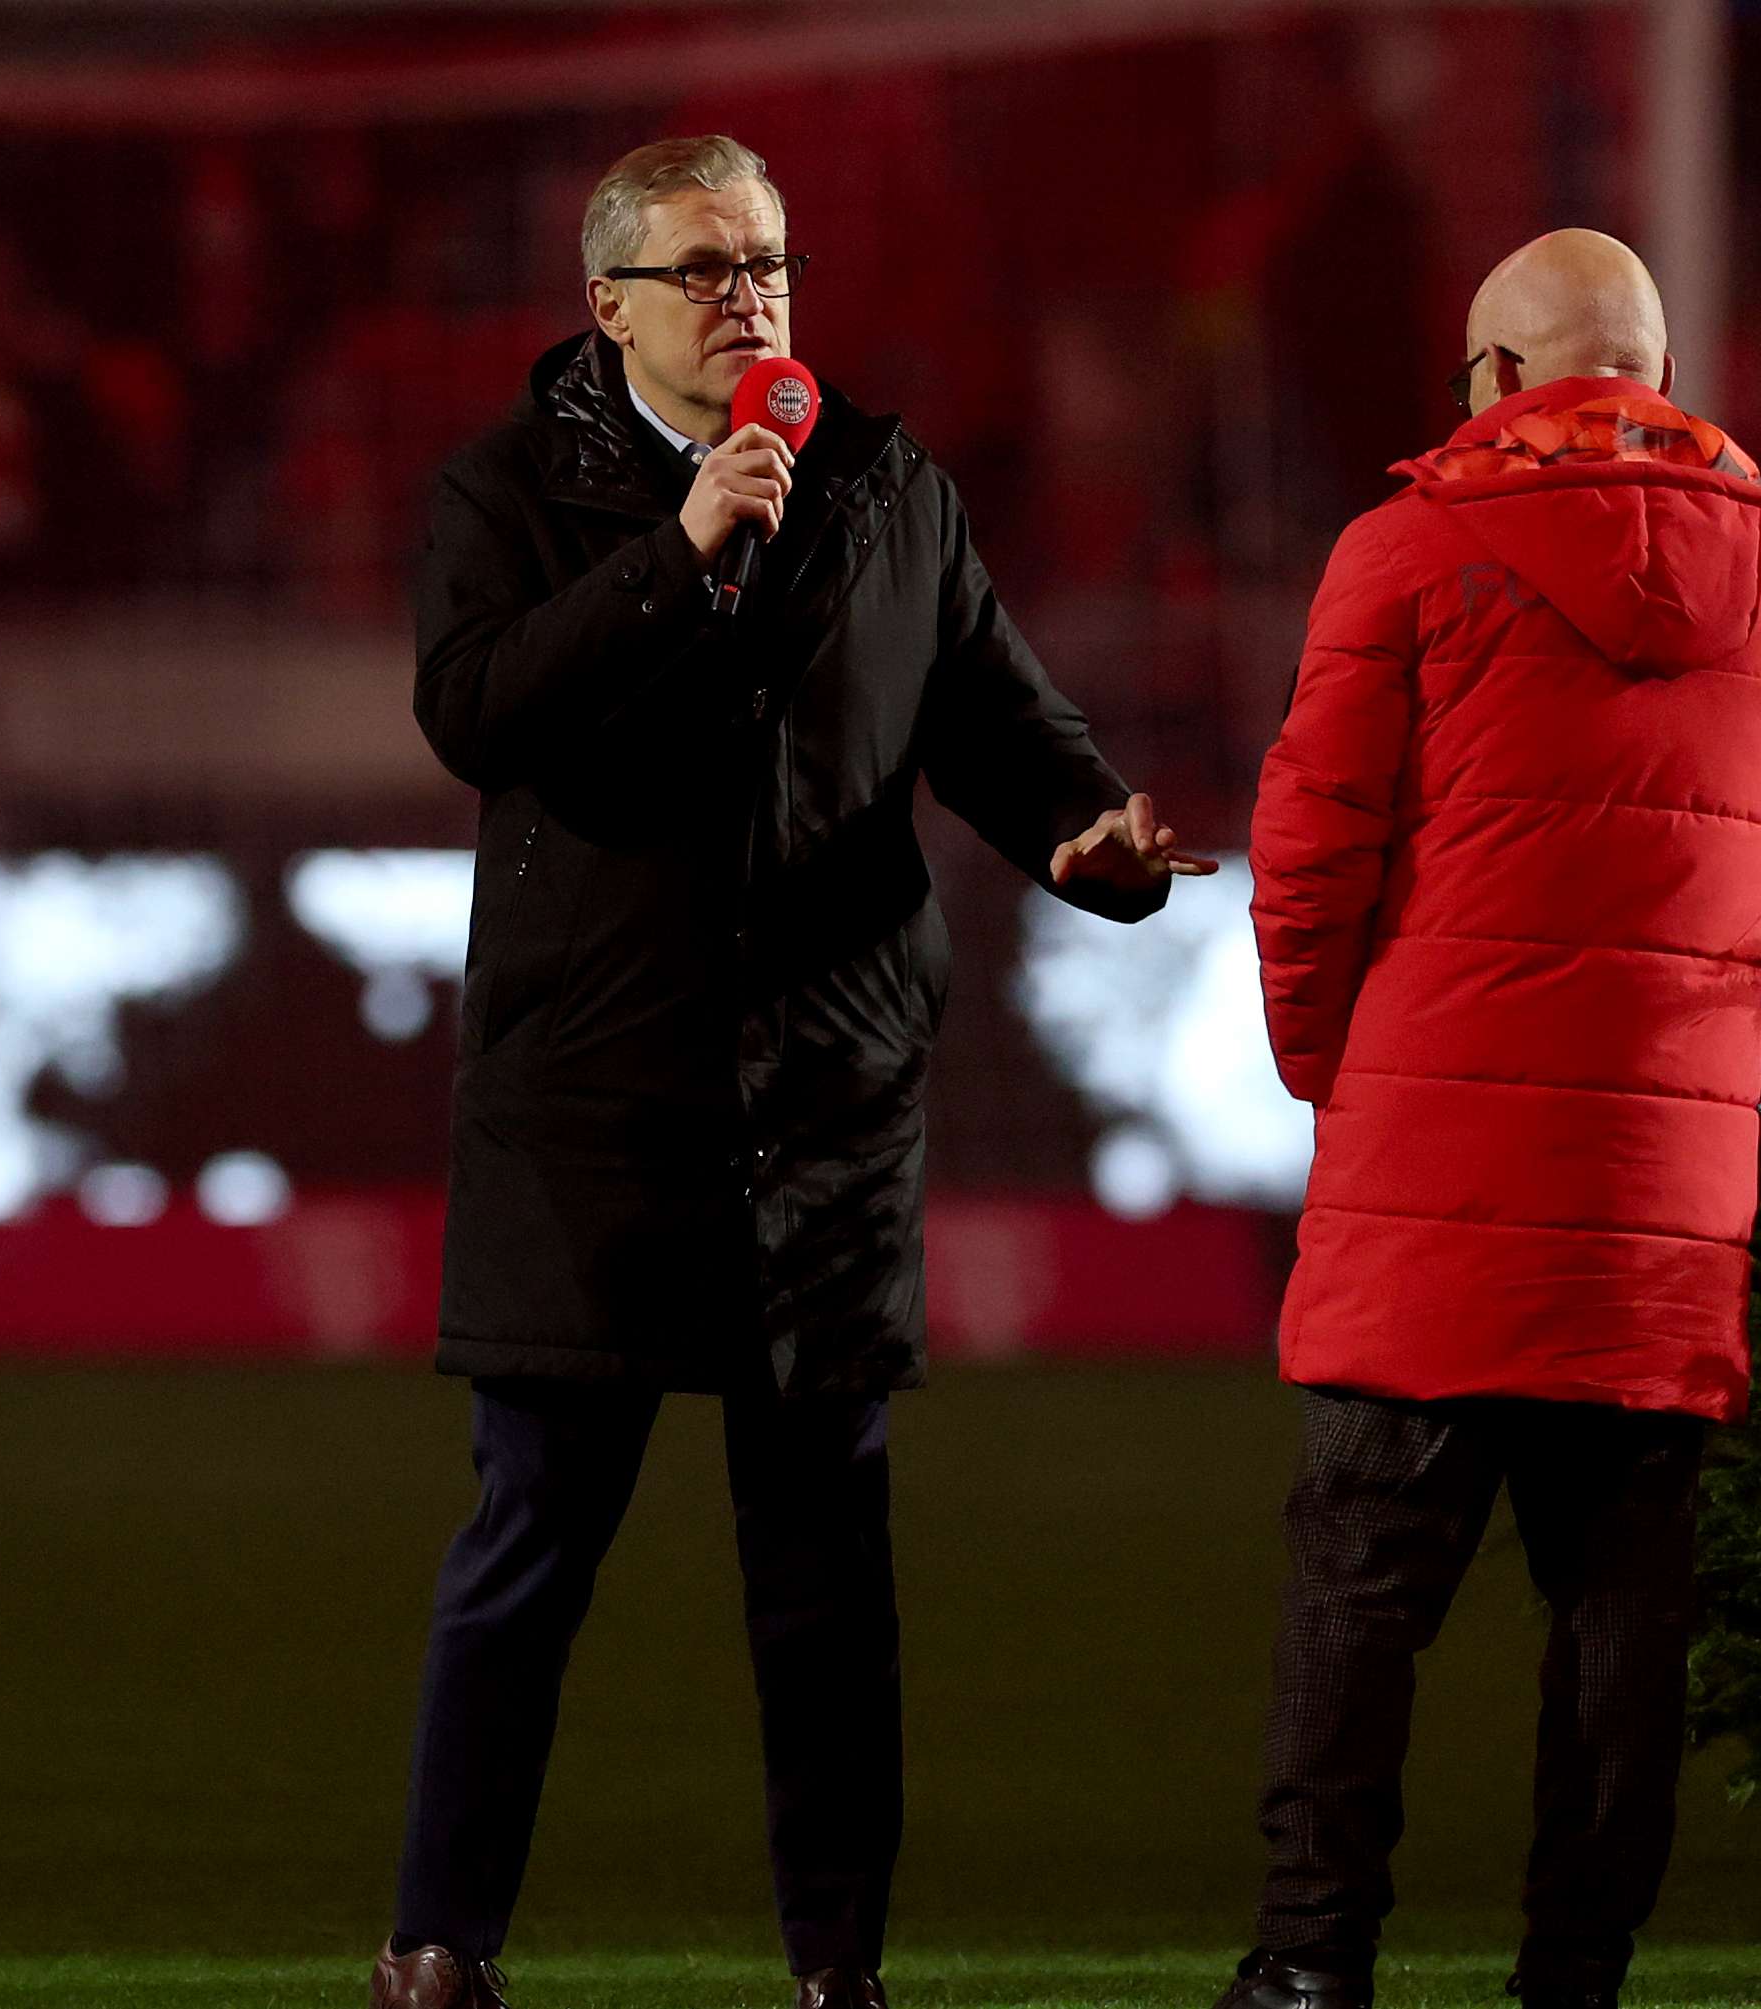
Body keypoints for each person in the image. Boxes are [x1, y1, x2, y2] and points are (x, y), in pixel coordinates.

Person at [375, 135, 1209, 2009]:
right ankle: (438, 1948)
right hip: (591, 1109)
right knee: (527, 1549)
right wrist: (678, 555)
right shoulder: (504, 494)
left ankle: (840, 1971)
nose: (750, 292)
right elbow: (478, 711)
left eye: (767, 259)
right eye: (704, 267)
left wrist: (1097, 842)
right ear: (606, 308)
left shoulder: (887, 487)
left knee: (828, 1580)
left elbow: (1004, 722)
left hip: (818, 1111)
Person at [1222, 229, 1761, 2009]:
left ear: (1498, 379)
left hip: (1437, 1164)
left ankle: (1312, 1965)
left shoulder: (1408, 549)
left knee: (1359, 1584)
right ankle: (1576, 1978)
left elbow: (1309, 855)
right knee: (1623, 1609)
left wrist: (1340, 1068)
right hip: (1666, 1185)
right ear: (1648, 372)